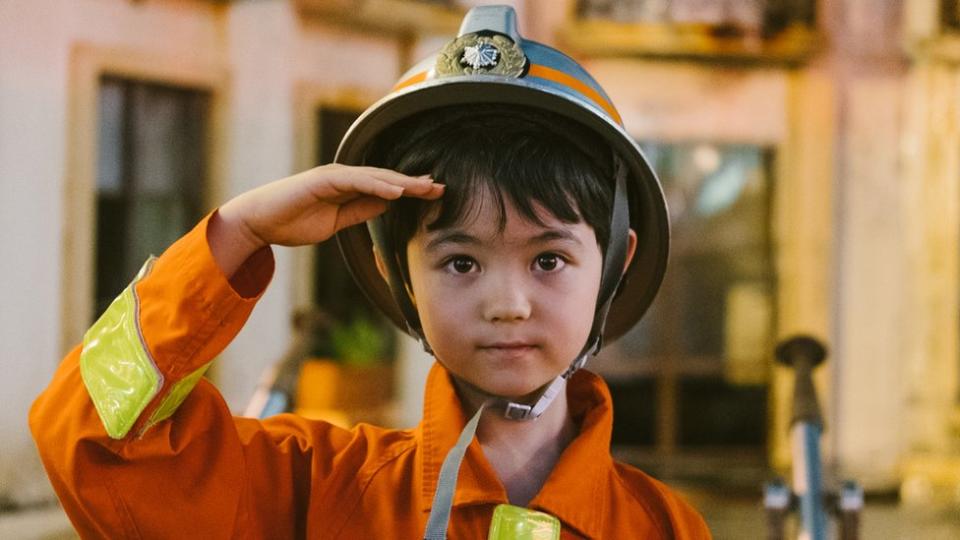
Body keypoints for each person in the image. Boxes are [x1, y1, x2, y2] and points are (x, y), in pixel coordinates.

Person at [31, 6, 710, 539]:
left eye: (549, 260)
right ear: (398, 275)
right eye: (461, 261)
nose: (508, 303)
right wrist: (238, 234)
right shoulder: (309, 487)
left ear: (615, 265)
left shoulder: (667, 528)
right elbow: (89, 439)